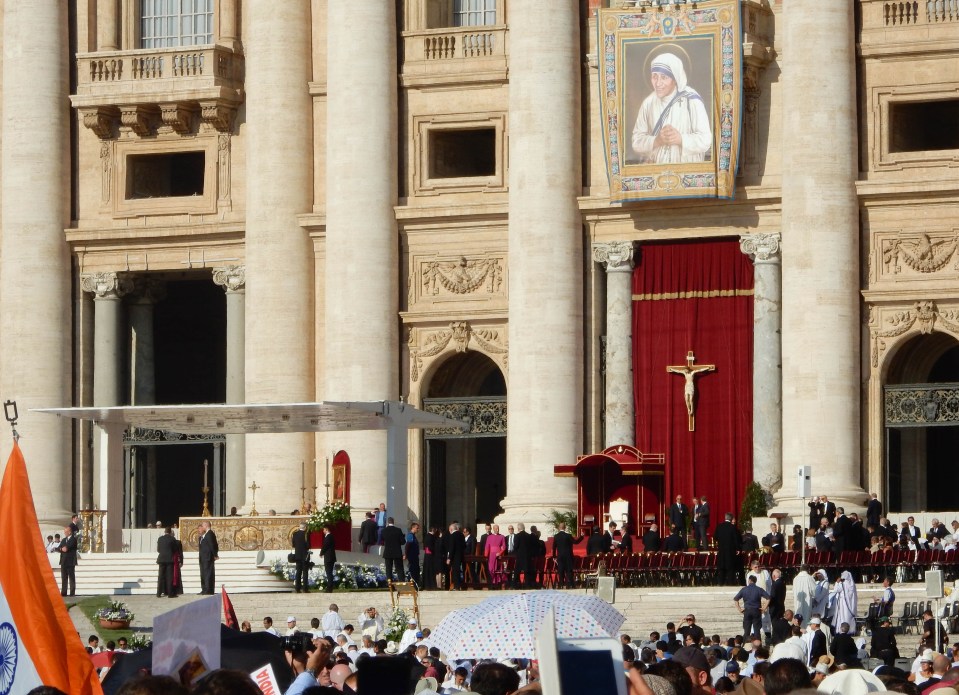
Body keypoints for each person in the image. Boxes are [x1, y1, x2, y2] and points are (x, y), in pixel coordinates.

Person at [631, 52, 712, 164]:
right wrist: (656, 141)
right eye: (655, 76)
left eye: (664, 77)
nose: (658, 83)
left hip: (688, 170)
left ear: (675, 79)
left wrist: (680, 139)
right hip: (657, 172)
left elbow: (706, 140)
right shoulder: (648, 103)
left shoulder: (692, 100)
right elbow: (636, 142)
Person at [733, 575, 769, 640]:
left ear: (749, 580)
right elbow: (768, 598)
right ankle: (758, 646)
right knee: (757, 631)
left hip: (747, 610)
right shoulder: (759, 589)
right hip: (756, 610)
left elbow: (736, 599)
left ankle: (745, 646)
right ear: (755, 581)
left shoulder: (744, 589)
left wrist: (739, 609)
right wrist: (764, 608)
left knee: (746, 631)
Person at [712, 513, 740, 585]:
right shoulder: (733, 527)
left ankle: (721, 583)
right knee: (730, 569)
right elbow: (736, 539)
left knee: (721, 568)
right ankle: (731, 584)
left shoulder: (719, 526)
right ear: (731, 519)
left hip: (721, 551)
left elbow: (715, 537)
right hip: (730, 551)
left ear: (725, 518)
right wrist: (737, 549)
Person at [381, 516, 405, 583]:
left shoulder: (384, 531)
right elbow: (403, 542)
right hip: (397, 552)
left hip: (388, 552)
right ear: (393, 522)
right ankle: (401, 582)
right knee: (399, 569)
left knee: (388, 569)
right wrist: (402, 537)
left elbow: (382, 541)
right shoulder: (398, 530)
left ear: (388, 522)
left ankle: (390, 584)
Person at [197, 521, 218, 595]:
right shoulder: (206, 535)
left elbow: (213, 545)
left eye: (202, 526)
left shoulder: (210, 534)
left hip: (207, 557)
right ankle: (204, 589)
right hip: (203, 558)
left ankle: (208, 590)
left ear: (206, 525)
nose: (202, 527)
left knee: (208, 574)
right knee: (203, 574)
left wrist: (215, 555)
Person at [553, 521, 576, 589]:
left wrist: (554, 556)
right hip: (568, 556)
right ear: (565, 528)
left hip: (560, 556)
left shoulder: (556, 536)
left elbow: (554, 547)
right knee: (569, 570)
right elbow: (575, 542)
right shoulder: (568, 536)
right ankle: (571, 584)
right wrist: (582, 537)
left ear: (559, 528)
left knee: (561, 570)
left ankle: (561, 585)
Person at [57, 523, 78, 597]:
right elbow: (59, 548)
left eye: (66, 532)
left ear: (69, 532)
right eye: (64, 532)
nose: (65, 533)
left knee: (71, 577)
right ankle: (63, 592)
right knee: (64, 578)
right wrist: (61, 549)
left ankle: (72, 593)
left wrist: (63, 549)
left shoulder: (73, 539)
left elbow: (67, 548)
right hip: (63, 561)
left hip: (70, 561)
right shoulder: (63, 540)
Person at [156, 526, 177, 598]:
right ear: (171, 532)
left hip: (161, 559)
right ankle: (170, 593)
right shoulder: (172, 539)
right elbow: (175, 549)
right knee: (169, 577)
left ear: (164, 531)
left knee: (161, 576)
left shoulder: (160, 539)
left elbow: (158, 549)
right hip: (169, 559)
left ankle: (158, 593)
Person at [484, 523, 506, 587]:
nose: (497, 530)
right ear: (493, 529)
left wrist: (500, 553)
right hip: (491, 555)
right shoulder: (489, 537)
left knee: (498, 569)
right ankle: (492, 582)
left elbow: (504, 547)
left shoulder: (502, 537)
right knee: (491, 569)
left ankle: (498, 582)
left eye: (498, 528)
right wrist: (486, 555)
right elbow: (487, 547)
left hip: (498, 555)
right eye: (496, 528)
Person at [512, 522, 533, 589]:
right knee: (527, 571)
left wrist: (515, 554)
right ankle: (528, 585)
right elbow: (530, 547)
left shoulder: (517, 536)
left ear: (518, 528)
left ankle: (515, 585)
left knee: (517, 571)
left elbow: (515, 546)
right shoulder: (528, 536)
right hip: (527, 557)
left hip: (520, 557)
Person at [291, 522, 310, 593]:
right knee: (305, 572)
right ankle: (305, 588)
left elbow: (293, 544)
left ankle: (297, 588)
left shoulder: (294, 534)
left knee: (298, 572)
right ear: (305, 527)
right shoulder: (306, 534)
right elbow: (308, 545)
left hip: (298, 555)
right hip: (305, 556)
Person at [446, 522, 466, 590]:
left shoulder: (452, 535)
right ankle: (462, 585)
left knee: (455, 571)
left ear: (451, 529)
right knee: (461, 571)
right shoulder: (461, 534)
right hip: (461, 555)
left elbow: (451, 548)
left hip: (454, 557)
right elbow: (464, 546)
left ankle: (456, 586)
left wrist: (449, 558)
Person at [320, 523, 337, 592]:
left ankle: (329, 588)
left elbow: (325, 546)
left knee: (329, 573)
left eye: (323, 529)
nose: (323, 531)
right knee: (329, 572)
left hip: (329, 557)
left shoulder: (328, 537)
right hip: (331, 557)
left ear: (326, 529)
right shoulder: (330, 536)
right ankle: (330, 587)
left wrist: (321, 553)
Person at [422, 526, 439, 590]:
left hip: (427, 555)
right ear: (433, 530)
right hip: (430, 556)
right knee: (430, 571)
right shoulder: (431, 537)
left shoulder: (427, 536)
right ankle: (431, 585)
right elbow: (431, 547)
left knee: (427, 570)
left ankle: (427, 585)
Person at [405, 522, 421, 587]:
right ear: (413, 528)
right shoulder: (410, 535)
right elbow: (408, 545)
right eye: (417, 528)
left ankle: (416, 584)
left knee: (416, 570)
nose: (418, 530)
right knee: (413, 570)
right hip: (412, 556)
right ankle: (412, 584)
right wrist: (406, 554)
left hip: (415, 556)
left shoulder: (413, 536)